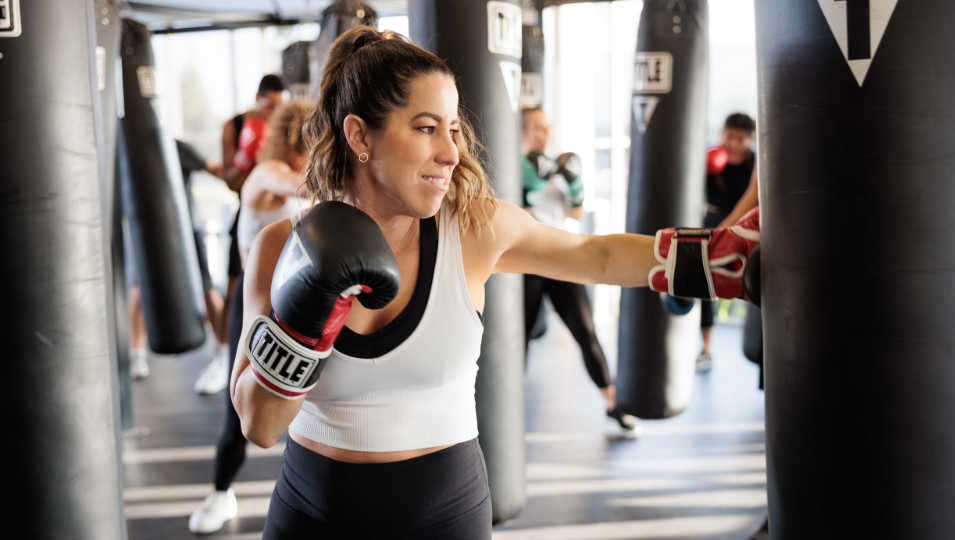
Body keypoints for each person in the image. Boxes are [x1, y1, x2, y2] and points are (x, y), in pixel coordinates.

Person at [233, 27, 757, 539]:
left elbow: (592, 255)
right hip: (312, 516)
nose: (451, 153)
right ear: (359, 135)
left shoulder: (474, 230)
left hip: (446, 515)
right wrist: (302, 327)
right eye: (424, 128)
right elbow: (258, 425)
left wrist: (710, 257)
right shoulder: (283, 248)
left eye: (453, 128)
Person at [189, 102, 313, 534]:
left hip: (305, 300)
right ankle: (220, 494)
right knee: (237, 410)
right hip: (257, 302)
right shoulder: (267, 173)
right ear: (298, 141)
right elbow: (297, 183)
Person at [519, 106, 636, 432]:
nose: (545, 133)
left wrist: (573, 183)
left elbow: (576, 213)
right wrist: (536, 180)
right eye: (538, 128)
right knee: (519, 337)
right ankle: (507, 404)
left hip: (560, 255)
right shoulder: (513, 161)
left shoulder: (557, 164)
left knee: (585, 330)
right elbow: (519, 206)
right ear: (522, 130)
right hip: (523, 259)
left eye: (547, 127)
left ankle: (613, 403)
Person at [195, 74, 287, 395]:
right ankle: (223, 359)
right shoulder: (233, 126)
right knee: (237, 291)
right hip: (247, 216)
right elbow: (231, 182)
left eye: (279, 105)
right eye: (270, 104)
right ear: (259, 98)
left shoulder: (283, 125)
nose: (273, 111)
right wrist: (247, 154)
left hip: (282, 214)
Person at [126, 140, 224, 380]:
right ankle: (137, 354)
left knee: (207, 290)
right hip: (148, 231)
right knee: (138, 291)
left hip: (188, 228)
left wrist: (244, 168)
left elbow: (215, 169)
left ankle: (223, 351)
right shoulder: (131, 146)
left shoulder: (178, 147)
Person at [697, 113, 757, 372]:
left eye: (740, 138)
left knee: (751, 284)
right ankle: (706, 349)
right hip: (713, 223)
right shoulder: (709, 159)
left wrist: (729, 229)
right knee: (704, 288)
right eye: (729, 135)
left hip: (744, 226)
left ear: (749, 139)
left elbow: (754, 199)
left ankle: (763, 345)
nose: (733, 142)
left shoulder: (754, 163)